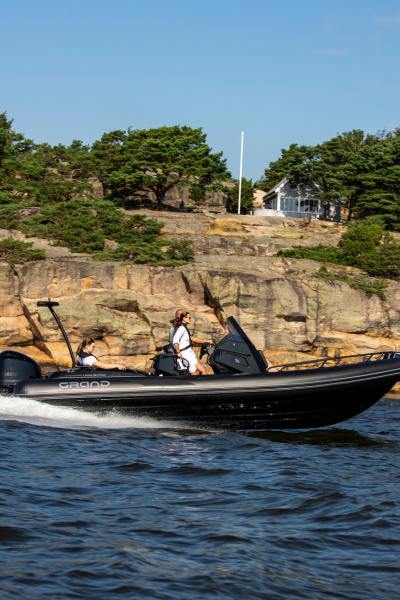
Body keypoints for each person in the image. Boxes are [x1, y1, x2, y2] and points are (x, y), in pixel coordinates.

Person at [171, 311, 212, 375]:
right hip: (185, 354)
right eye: (188, 318)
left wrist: (206, 341)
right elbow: (175, 340)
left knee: (203, 370)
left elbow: (191, 339)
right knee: (194, 374)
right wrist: (178, 352)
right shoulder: (181, 328)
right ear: (184, 318)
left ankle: (203, 384)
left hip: (189, 353)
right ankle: (197, 384)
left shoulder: (184, 328)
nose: (190, 319)